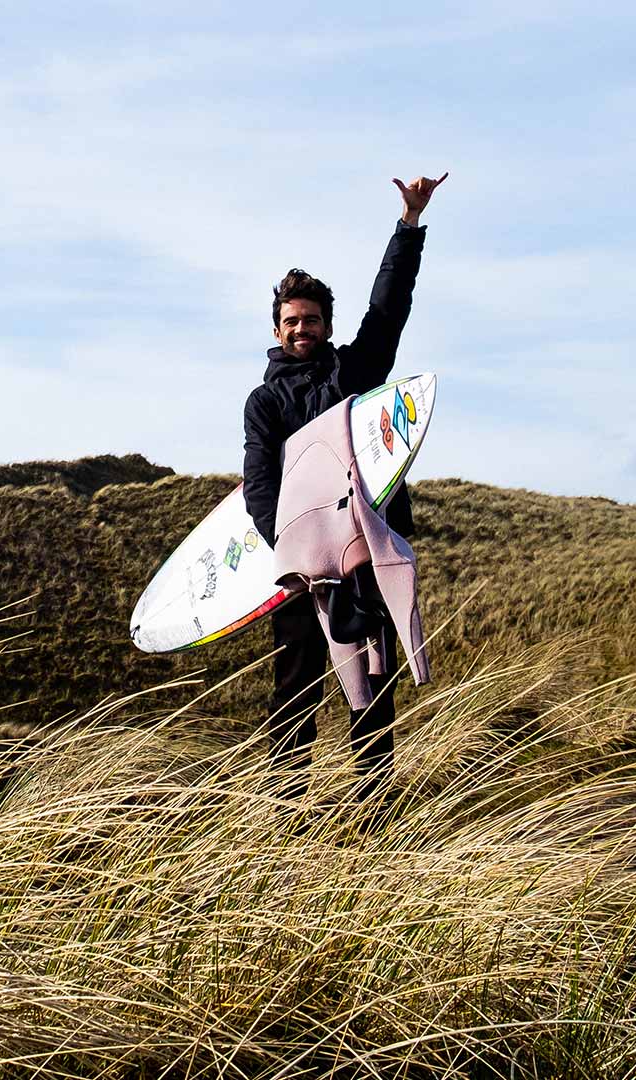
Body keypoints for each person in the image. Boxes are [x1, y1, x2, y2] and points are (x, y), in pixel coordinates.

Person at [241, 173, 447, 802]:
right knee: (297, 682)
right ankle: (284, 808)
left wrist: (408, 226)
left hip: (362, 556)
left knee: (373, 684)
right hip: (303, 570)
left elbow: (388, 310)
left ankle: (375, 808)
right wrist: (295, 558)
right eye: (290, 320)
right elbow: (258, 487)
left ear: (326, 324)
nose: (301, 328)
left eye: (311, 319)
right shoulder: (266, 401)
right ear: (277, 329)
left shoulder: (354, 372)